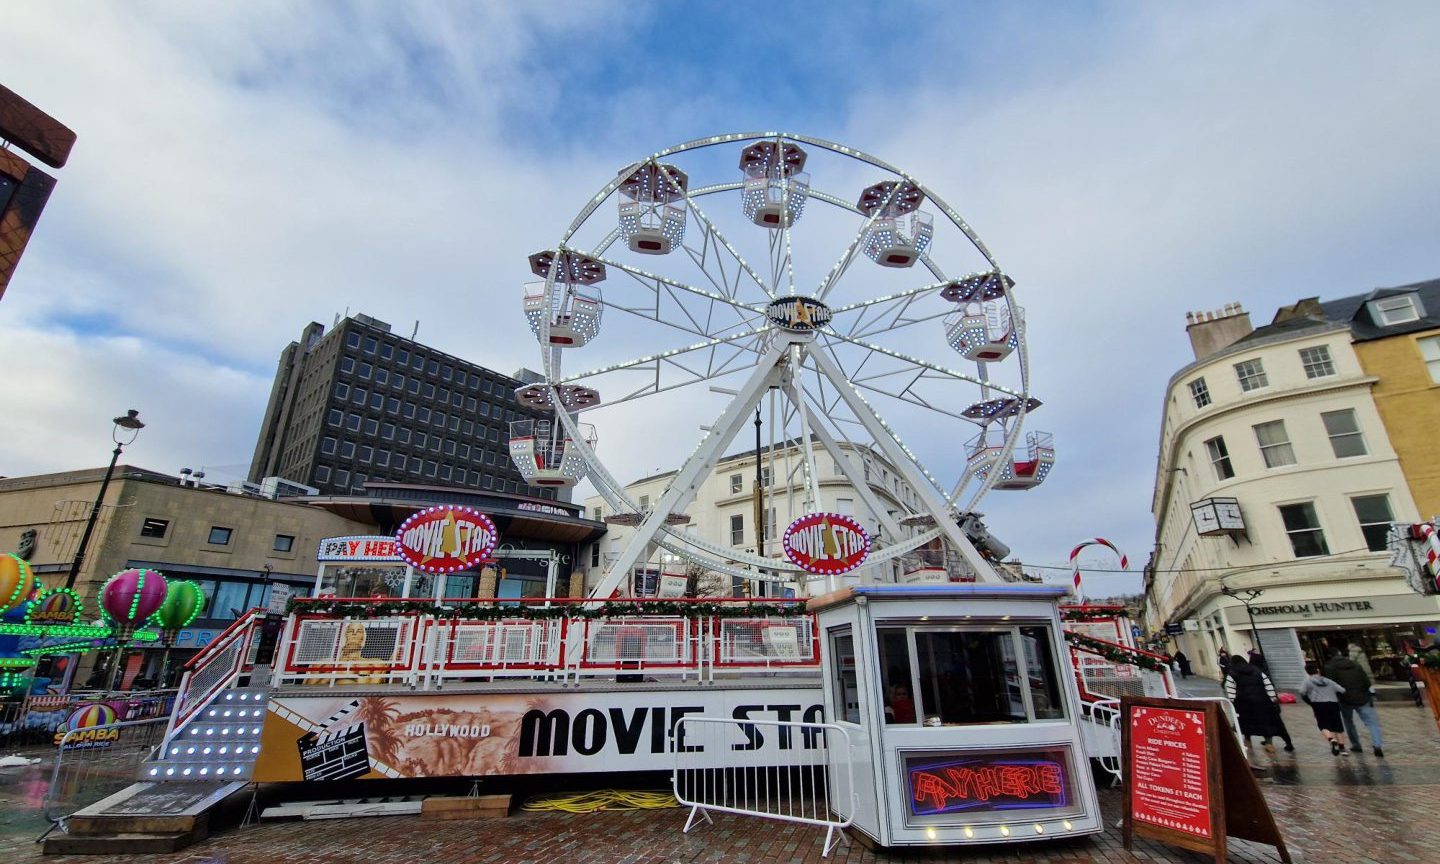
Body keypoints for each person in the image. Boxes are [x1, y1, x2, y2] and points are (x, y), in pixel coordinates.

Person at [1224, 655, 1293, 754]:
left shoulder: (1232, 674)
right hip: (1263, 701)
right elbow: (1268, 684)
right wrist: (1273, 698)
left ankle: (1248, 743)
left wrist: (1233, 702)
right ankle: (1270, 743)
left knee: (1246, 724)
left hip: (1244, 703)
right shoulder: (1256, 670)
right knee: (1267, 723)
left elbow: (1231, 691)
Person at [1325, 648, 1385, 757]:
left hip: (1344, 699)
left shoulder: (1330, 667)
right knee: (1372, 723)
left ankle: (1356, 745)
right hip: (1363, 698)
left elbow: (1331, 686)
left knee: (1349, 722)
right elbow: (1366, 681)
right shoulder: (1356, 665)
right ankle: (1377, 745)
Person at [1299, 661, 1349, 756]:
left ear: (1307, 672)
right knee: (1337, 726)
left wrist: (1310, 701)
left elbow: (1302, 692)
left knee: (1323, 725)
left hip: (1319, 705)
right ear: (1317, 670)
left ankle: (1332, 740)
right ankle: (1342, 748)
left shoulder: (1307, 682)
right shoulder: (1328, 681)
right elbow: (1342, 690)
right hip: (1333, 704)